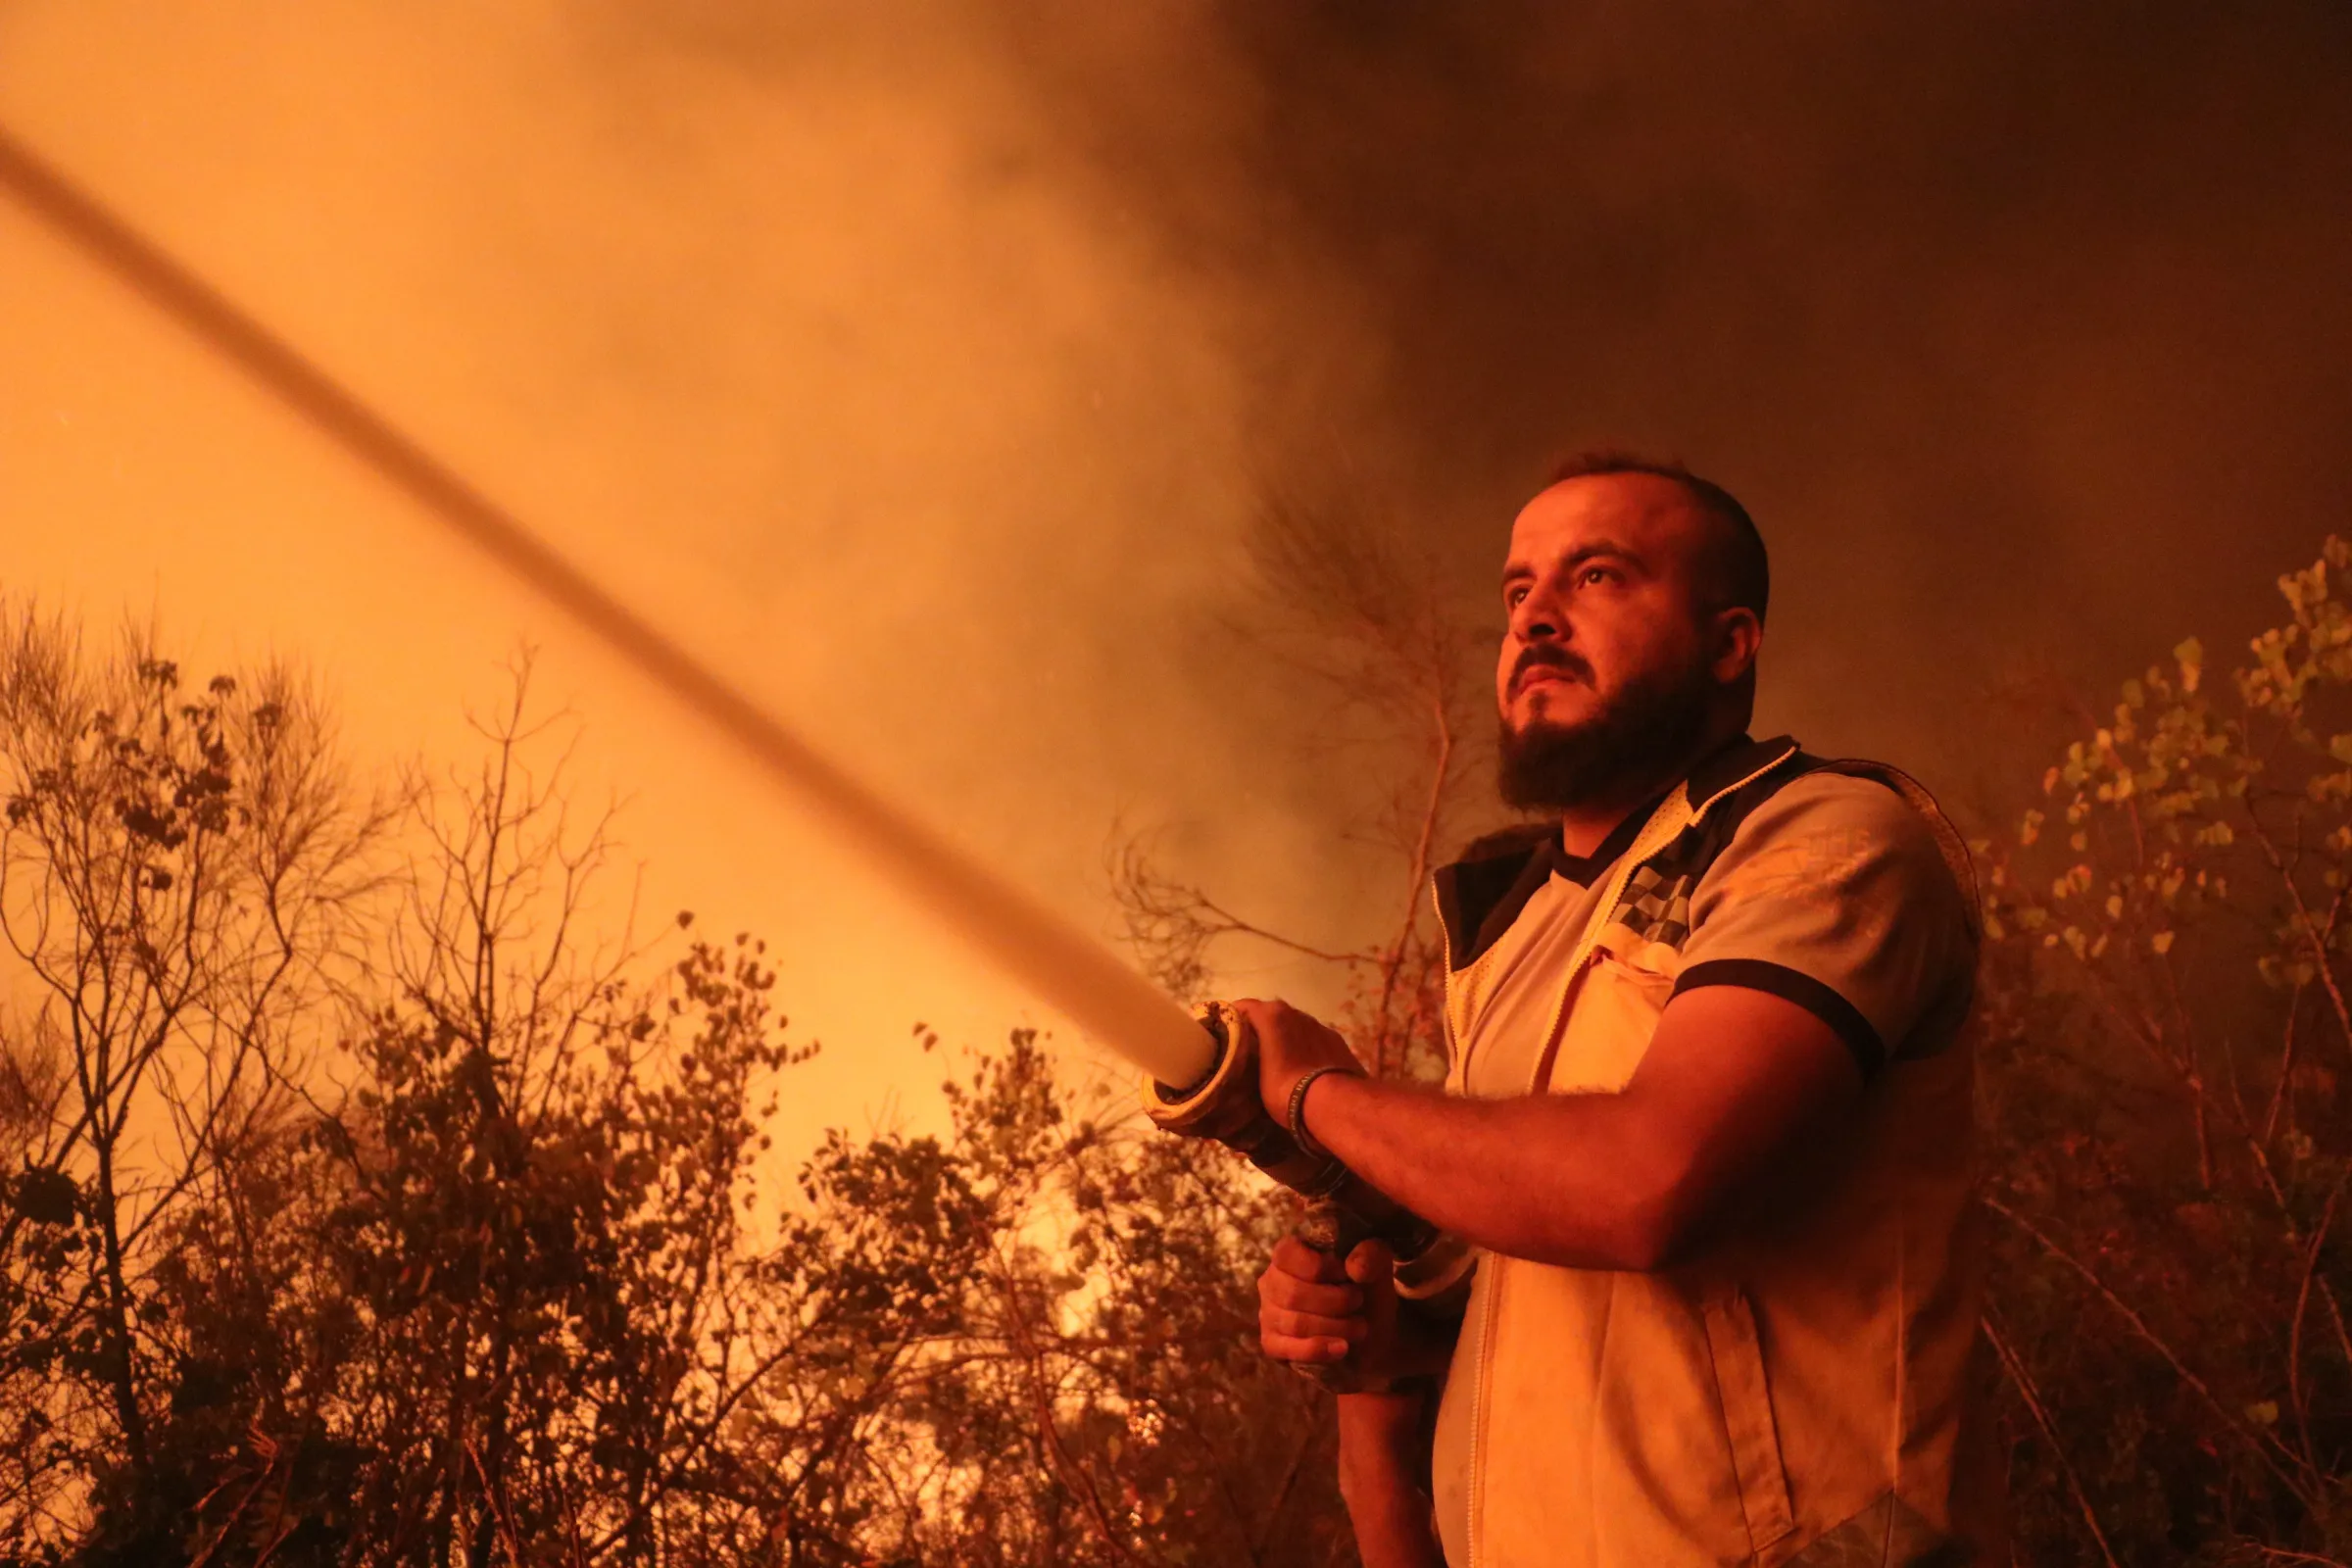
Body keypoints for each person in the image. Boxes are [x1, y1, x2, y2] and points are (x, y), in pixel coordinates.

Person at [1235, 454, 2000, 1568]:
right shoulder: (1507, 940)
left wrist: (1317, 1094)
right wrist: (1379, 1349)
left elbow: (1646, 1185)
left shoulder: (1824, 842)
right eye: (1516, 591)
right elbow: (1516, 1308)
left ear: (1731, 642)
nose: (1536, 619)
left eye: (1596, 577)